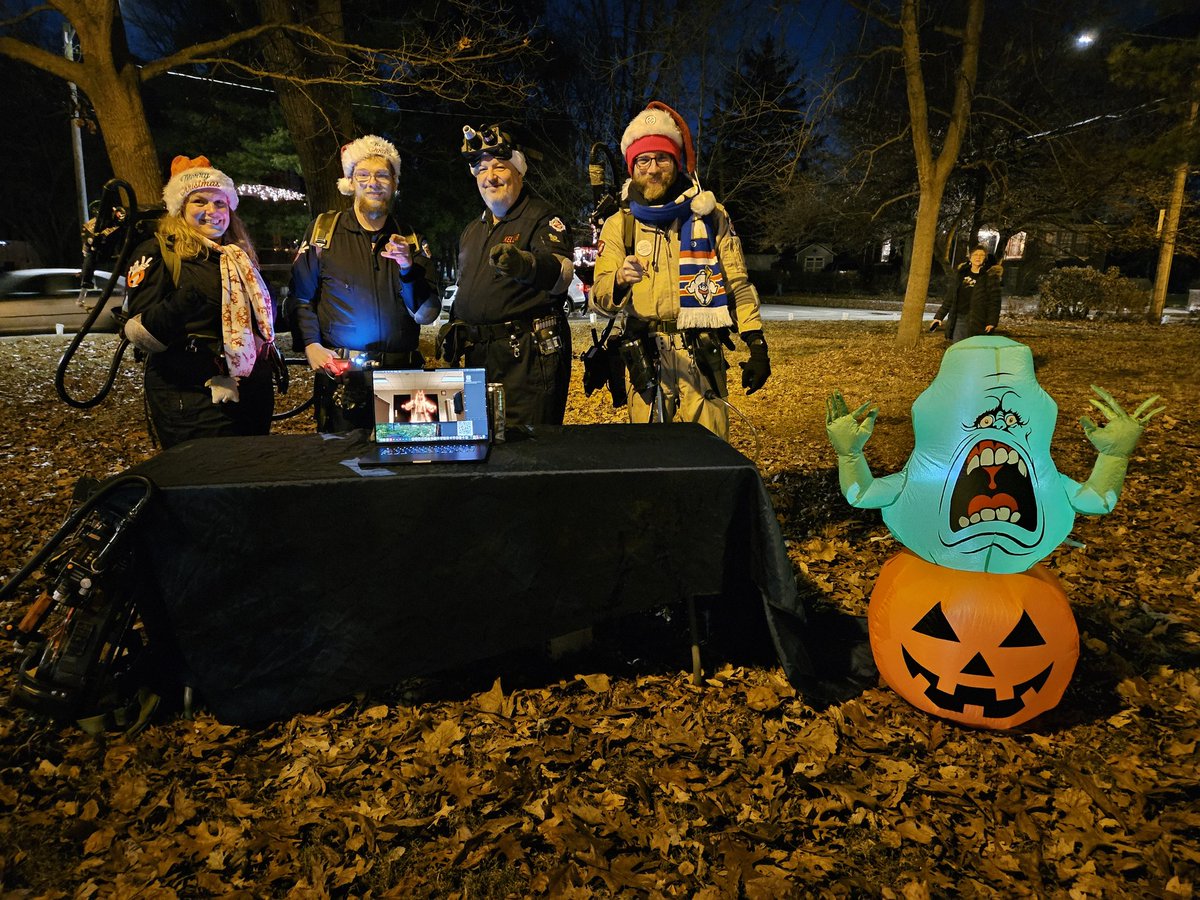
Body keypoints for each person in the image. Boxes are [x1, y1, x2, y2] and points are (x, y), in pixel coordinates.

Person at [590, 102, 771, 440]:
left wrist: (756, 344)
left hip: (702, 358)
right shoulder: (620, 225)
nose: (653, 169)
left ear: (676, 162)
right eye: (643, 160)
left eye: (662, 158)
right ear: (632, 167)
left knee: (711, 457)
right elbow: (599, 298)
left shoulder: (710, 215)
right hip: (647, 358)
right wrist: (617, 280)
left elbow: (738, 284)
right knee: (652, 462)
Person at [123, 155, 277, 449]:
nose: (212, 211)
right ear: (180, 208)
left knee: (251, 476)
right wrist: (183, 303)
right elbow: (141, 330)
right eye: (200, 202)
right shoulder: (159, 252)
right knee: (204, 482)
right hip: (189, 393)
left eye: (220, 203)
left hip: (250, 391)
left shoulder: (237, 256)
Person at [290, 135, 439, 432]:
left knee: (405, 467)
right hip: (343, 379)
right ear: (350, 182)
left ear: (395, 184)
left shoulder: (410, 238)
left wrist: (408, 267)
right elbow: (300, 298)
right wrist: (311, 344)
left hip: (403, 378)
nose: (373, 182)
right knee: (344, 468)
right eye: (363, 175)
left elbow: (428, 313)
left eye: (383, 175)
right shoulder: (324, 231)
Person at [438, 124, 575, 428]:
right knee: (478, 444)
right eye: (482, 169)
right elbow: (468, 287)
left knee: (528, 453)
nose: (491, 177)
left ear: (518, 172)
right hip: (479, 360)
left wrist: (526, 265)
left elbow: (562, 273)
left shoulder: (541, 217)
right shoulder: (474, 229)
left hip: (527, 358)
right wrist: (455, 327)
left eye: (500, 166)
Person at [932, 245, 1002, 343]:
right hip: (960, 318)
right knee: (958, 347)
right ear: (970, 257)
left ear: (985, 258)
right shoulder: (961, 274)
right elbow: (950, 297)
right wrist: (938, 317)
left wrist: (992, 322)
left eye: (981, 255)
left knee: (974, 350)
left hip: (979, 320)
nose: (978, 257)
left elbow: (995, 302)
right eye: (975, 254)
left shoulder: (990, 277)